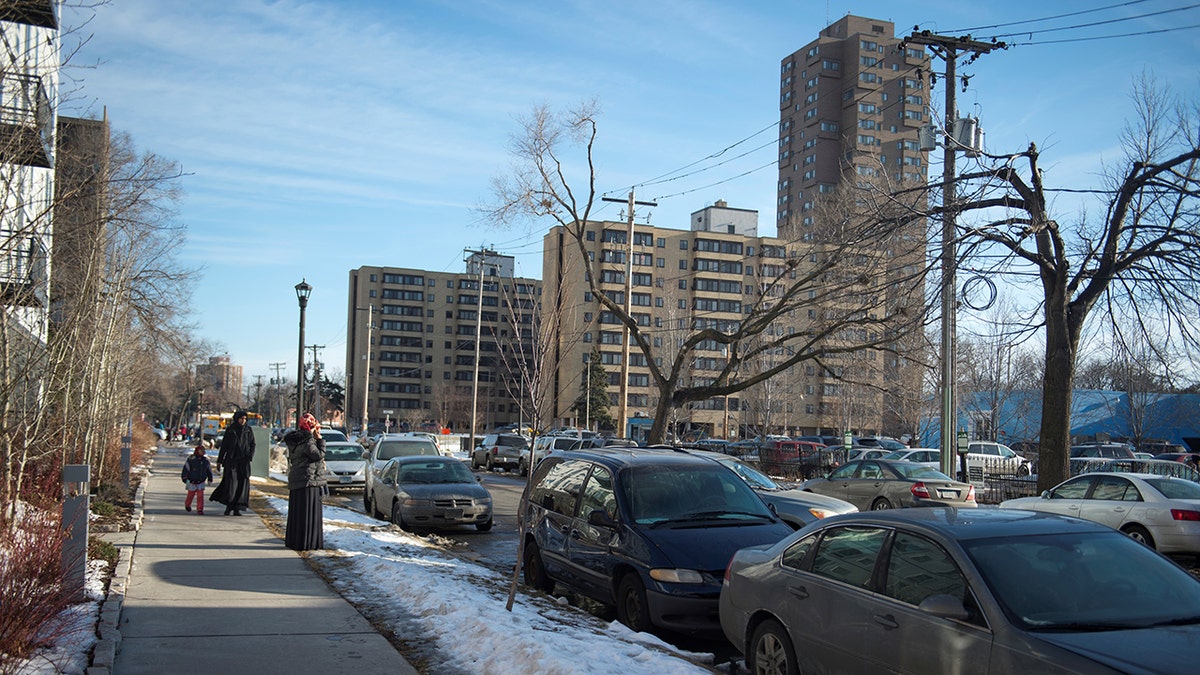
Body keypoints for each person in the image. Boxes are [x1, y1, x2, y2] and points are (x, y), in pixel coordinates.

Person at [284, 413, 326, 551]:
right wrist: (319, 440)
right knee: (309, 513)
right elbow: (318, 455)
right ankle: (308, 542)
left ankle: (295, 540)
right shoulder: (307, 441)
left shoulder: (295, 440)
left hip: (297, 479)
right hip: (309, 480)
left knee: (298, 512)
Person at [210, 410, 256, 516]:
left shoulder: (248, 430)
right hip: (232, 461)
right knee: (231, 483)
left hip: (243, 462)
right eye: (241, 419)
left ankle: (238, 508)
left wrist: (250, 455)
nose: (243, 421)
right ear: (237, 419)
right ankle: (229, 506)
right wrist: (219, 461)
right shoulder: (231, 430)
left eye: (245, 419)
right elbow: (224, 446)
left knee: (242, 483)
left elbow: (253, 444)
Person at [181, 444, 214, 514]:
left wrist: (210, 479)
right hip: (192, 481)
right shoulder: (191, 460)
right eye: (201, 450)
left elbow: (209, 470)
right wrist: (184, 477)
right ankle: (187, 504)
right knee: (190, 495)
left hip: (201, 481)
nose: (202, 452)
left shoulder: (205, 461)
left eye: (203, 450)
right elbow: (186, 469)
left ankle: (200, 509)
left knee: (200, 496)